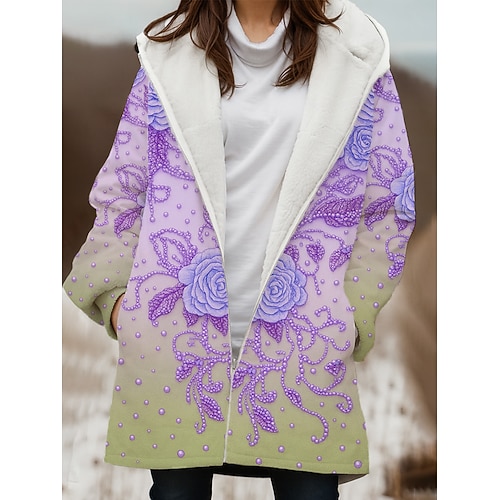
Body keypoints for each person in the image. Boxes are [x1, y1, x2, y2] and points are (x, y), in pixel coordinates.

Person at [63, 0, 416, 498]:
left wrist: (351, 315)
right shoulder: (169, 52)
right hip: (177, 347)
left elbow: (389, 201)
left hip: (304, 350)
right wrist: (120, 303)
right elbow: (123, 186)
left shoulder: (357, 51)